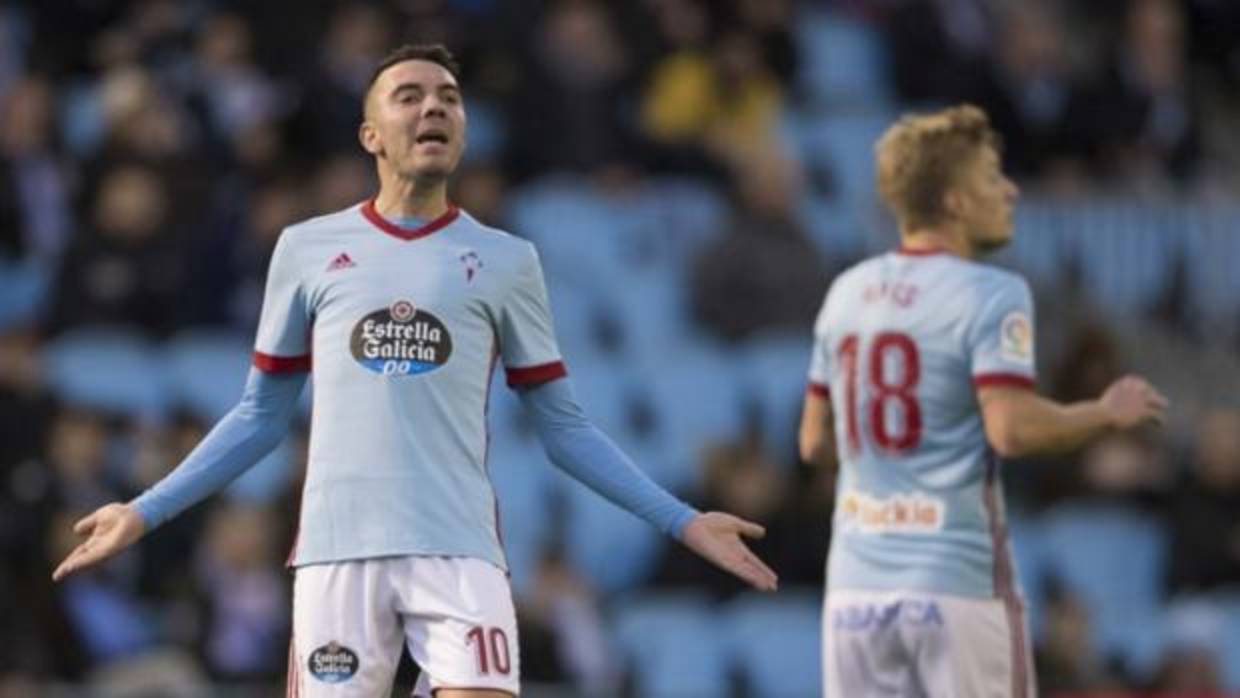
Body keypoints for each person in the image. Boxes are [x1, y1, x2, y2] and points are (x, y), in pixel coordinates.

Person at [52, 44, 778, 698]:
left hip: (460, 551)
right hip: (340, 552)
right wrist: (142, 511)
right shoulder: (307, 249)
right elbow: (260, 416)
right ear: (371, 135)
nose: (434, 107)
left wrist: (683, 521)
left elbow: (563, 429)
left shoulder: (507, 260)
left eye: (449, 98)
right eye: (409, 96)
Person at [798, 104, 1167, 698]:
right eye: (992, 178)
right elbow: (1012, 429)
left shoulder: (846, 292)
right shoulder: (991, 292)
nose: (1011, 191)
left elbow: (815, 442)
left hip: (857, 590)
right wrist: (1103, 413)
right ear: (954, 201)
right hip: (955, 584)